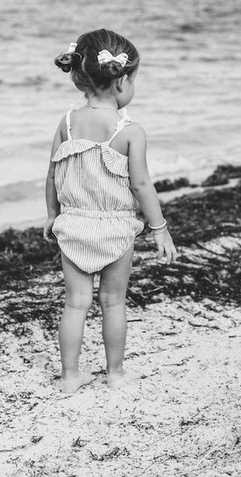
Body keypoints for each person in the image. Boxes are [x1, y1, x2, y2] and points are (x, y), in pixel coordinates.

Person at [43, 28, 178, 393]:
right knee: (113, 301)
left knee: (76, 303)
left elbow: (54, 172)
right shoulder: (129, 131)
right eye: (135, 79)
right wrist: (159, 227)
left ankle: (70, 376)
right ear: (122, 81)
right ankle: (115, 374)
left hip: (73, 225)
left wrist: (53, 215)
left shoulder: (68, 123)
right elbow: (141, 185)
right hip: (117, 228)